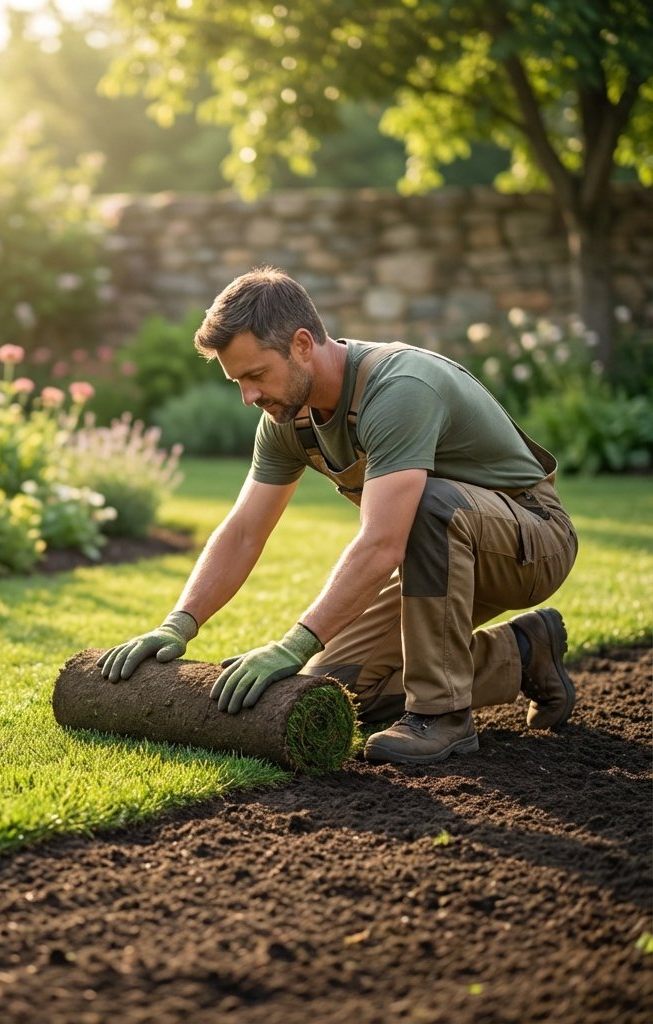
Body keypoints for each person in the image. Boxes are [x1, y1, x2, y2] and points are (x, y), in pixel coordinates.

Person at [97, 267, 579, 766]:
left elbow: (381, 544)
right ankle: (524, 653)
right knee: (339, 687)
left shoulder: (398, 389)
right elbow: (243, 532)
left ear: (302, 344)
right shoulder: (289, 419)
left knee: (431, 503)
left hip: (531, 542)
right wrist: (178, 624)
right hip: (443, 561)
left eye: (256, 375)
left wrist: (292, 644)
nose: (249, 396)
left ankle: (442, 717)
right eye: (238, 381)